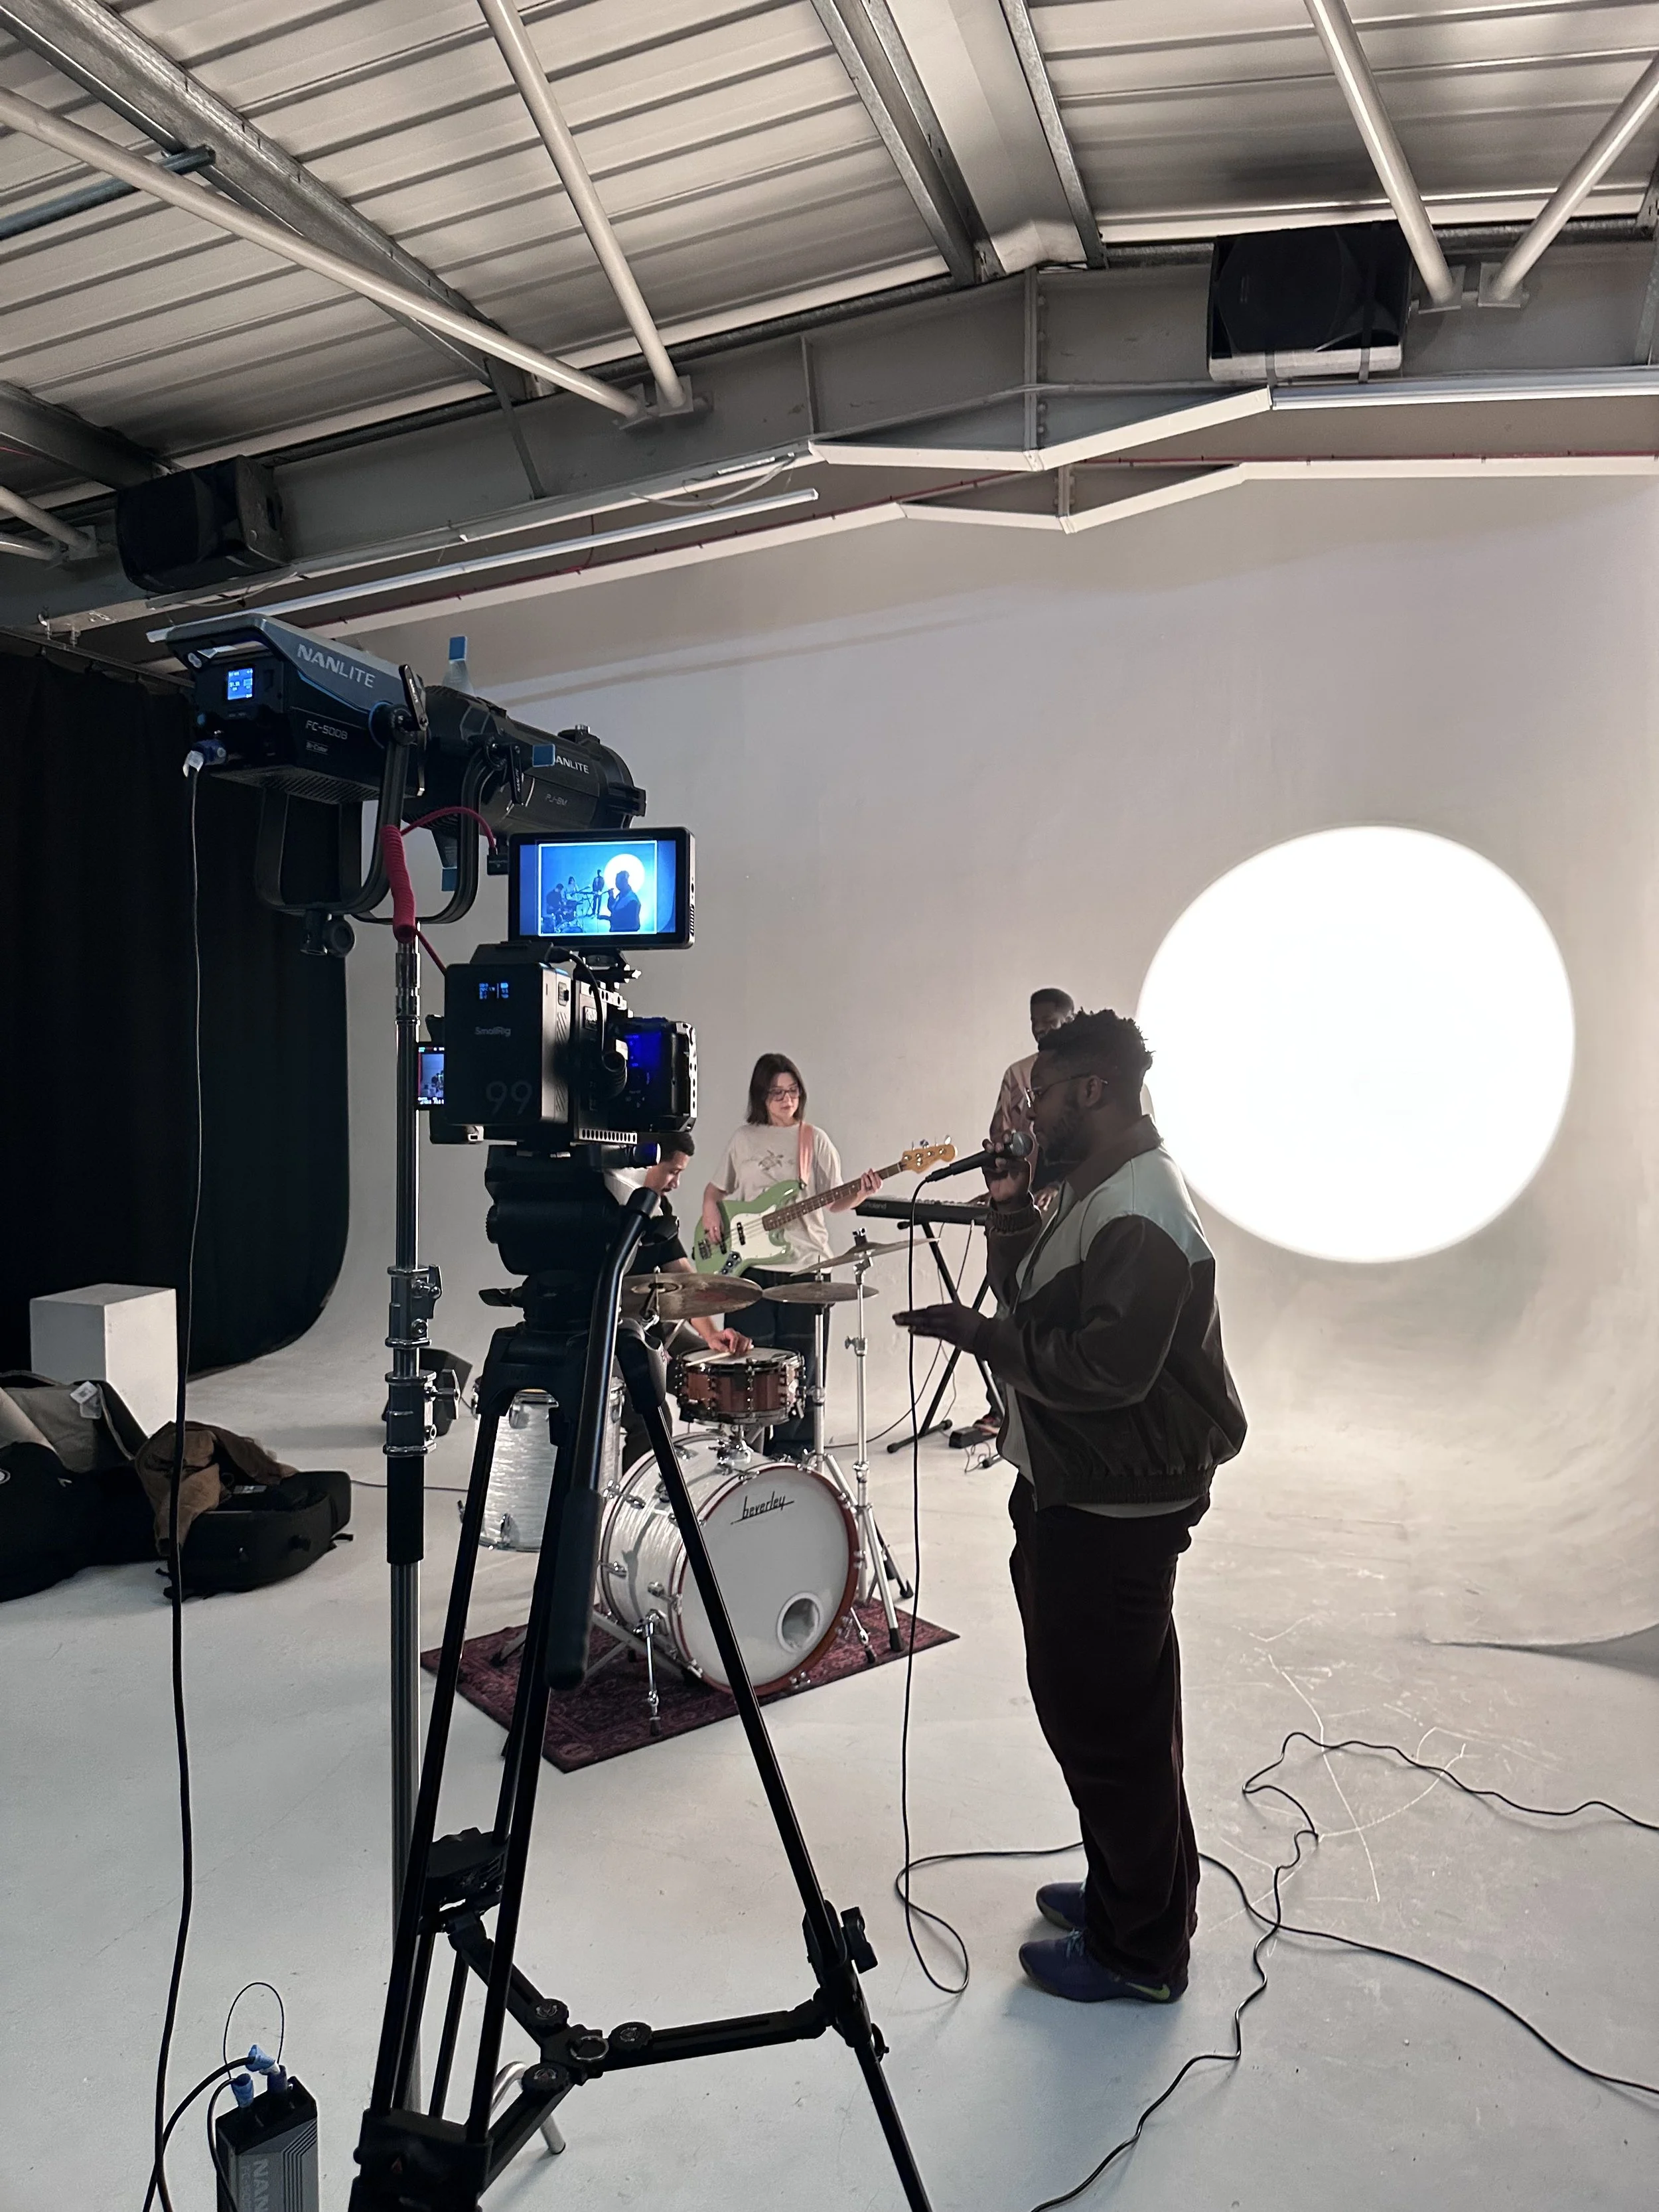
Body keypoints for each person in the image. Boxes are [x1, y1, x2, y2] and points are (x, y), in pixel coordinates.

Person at [897, 1009, 1246, 2006]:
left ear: (1090, 1091)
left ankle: (1139, 1953)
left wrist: (981, 1336)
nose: (1026, 1113)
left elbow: (1107, 1371)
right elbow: (1043, 1307)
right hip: (1079, 1486)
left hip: (1113, 1505)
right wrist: (1010, 1210)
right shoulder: (1095, 1188)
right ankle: (1137, 1898)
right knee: (1115, 1716)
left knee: (1107, 1729)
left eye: (1040, 1096)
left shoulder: (1142, 1204)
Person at [700, 1055, 881, 1457]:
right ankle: (744, 1456)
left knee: (802, 1370)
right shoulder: (743, 1139)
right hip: (749, 1271)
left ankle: (795, 1458)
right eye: (777, 1092)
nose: (787, 1100)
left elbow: (836, 1201)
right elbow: (715, 1191)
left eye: (793, 1091)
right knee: (745, 1365)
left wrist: (863, 1191)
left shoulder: (813, 1140)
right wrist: (710, 1208)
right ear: (761, 1096)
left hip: (807, 1269)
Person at [956, 988, 1076, 1447]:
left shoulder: (1089, 1075)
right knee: (1011, 1303)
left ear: (1071, 1018)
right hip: (1026, 1206)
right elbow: (1001, 1139)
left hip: (1070, 1204)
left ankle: (1047, 1404)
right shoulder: (1018, 1073)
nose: (1042, 1028)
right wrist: (1002, 1188)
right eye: (1035, 1021)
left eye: (1051, 1021)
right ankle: (1004, 1408)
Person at [612, 1134, 750, 1468]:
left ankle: (730, 1489)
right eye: (672, 1171)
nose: (676, 1182)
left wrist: (711, 1335)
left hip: (657, 1331)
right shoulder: (609, 1209)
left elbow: (686, 1282)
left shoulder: (660, 1210)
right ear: (646, 1159)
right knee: (653, 1423)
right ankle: (634, 1510)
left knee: (735, 1386)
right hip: (615, 1338)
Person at [607, 867, 642, 933]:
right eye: (616, 882)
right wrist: (611, 896)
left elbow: (629, 921)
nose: (616, 884)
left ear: (624, 882)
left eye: (618, 881)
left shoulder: (632, 900)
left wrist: (607, 918)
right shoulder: (620, 895)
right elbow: (612, 908)